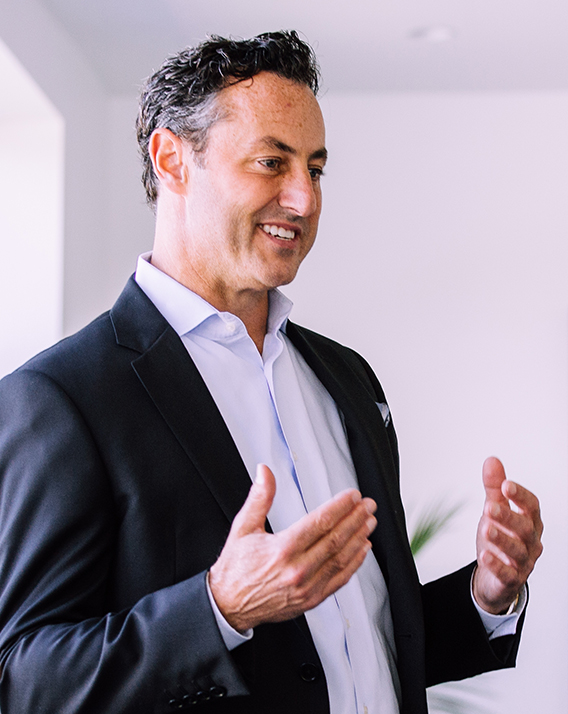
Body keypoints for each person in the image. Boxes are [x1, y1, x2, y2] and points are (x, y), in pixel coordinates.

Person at [0, 31, 542, 714]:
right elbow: (23, 681)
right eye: (270, 162)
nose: (305, 200)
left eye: (315, 169)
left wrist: (485, 597)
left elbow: (359, 642)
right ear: (172, 160)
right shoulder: (60, 399)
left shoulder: (348, 381)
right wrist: (219, 606)